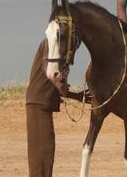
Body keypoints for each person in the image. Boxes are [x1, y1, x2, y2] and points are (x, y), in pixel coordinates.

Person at [26, 38, 87, 176]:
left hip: (43, 104)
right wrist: (61, 86)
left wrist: (76, 96)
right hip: (37, 103)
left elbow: (58, 86)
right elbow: (46, 66)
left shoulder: (61, 54)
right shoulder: (51, 42)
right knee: (42, 153)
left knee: (46, 152)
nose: (77, 46)